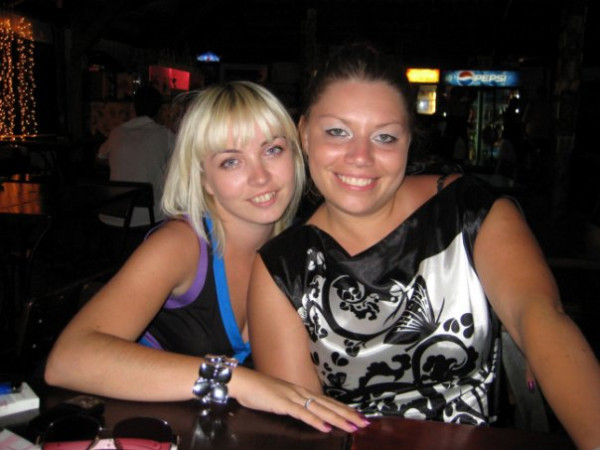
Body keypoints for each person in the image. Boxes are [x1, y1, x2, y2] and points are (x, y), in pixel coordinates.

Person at [247, 44, 600, 449]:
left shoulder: (468, 213)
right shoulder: (283, 268)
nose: (360, 156)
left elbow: (541, 318)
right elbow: (303, 429)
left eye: (384, 137)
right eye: (338, 132)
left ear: (408, 142)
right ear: (304, 134)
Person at [45, 81, 368, 434]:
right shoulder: (181, 244)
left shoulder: (295, 251)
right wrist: (235, 380)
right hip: (131, 433)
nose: (260, 176)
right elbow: (67, 360)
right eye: (231, 161)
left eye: (273, 150)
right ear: (204, 179)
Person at [97, 84, 175, 228]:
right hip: (150, 217)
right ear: (160, 111)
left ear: (133, 108)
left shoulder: (117, 133)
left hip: (114, 213)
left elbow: (100, 158)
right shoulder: (165, 135)